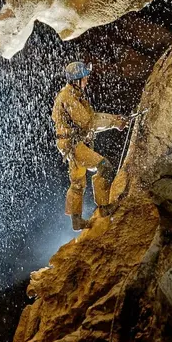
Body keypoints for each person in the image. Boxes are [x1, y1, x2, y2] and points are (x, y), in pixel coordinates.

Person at [52, 61, 128, 231]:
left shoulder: (73, 94)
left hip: (70, 144)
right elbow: (89, 121)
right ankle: (104, 207)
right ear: (76, 80)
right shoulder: (68, 97)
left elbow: (90, 118)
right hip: (74, 145)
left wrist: (114, 119)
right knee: (104, 167)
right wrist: (115, 122)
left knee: (78, 182)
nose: (87, 80)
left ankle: (77, 221)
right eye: (84, 78)